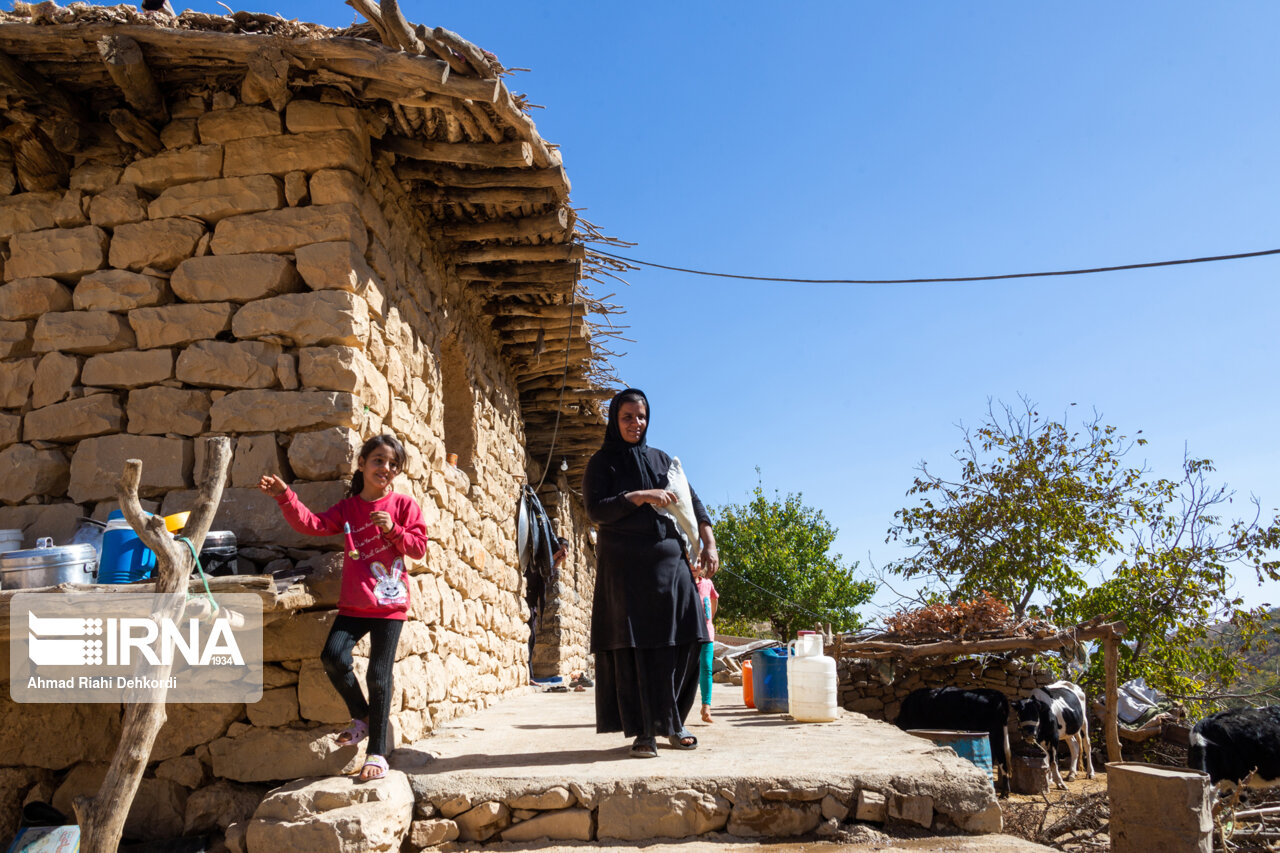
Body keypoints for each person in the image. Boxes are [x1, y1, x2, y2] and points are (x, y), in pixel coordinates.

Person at [258, 434, 428, 782]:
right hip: (354, 604)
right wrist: (284, 496)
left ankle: (377, 753)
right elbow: (313, 524)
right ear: (363, 464)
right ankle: (362, 718)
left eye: (393, 464)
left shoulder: (403, 506)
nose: (386, 468)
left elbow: (418, 548)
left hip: (389, 606)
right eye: (379, 460)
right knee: (333, 657)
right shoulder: (349, 508)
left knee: (378, 677)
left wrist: (394, 530)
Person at [583, 388, 719, 758]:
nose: (635, 423)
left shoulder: (661, 459)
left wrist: (709, 542)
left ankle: (674, 721)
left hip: (671, 564)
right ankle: (645, 732)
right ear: (615, 419)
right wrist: (640, 496)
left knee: (689, 638)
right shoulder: (603, 463)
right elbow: (596, 510)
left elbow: (694, 503)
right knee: (638, 649)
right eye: (627, 416)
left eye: (641, 417)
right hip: (626, 568)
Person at [694, 563, 719, 723]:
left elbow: (714, 599)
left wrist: (709, 620)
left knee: (706, 669)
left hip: (706, 633)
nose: (694, 565)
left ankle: (706, 706)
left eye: (697, 562)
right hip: (688, 634)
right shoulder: (683, 581)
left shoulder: (707, 583)